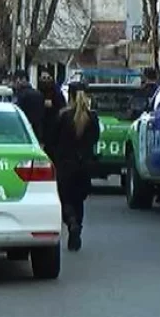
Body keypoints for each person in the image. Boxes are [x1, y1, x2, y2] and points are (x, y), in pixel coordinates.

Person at [51, 82, 100, 252]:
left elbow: (53, 141)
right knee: (79, 201)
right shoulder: (93, 118)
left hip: (65, 166)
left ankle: (71, 222)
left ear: (69, 96)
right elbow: (95, 140)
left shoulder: (63, 116)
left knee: (65, 199)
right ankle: (77, 225)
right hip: (84, 166)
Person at [38, 71, 66, 159]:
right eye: (43, 78)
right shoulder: (38, 93)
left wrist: (53, 105)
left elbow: (62, 107)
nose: (45, 81)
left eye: (47, 78)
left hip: (54, 127)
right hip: (42, 127)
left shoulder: (57, 93)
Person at [12, 69, 45, 143]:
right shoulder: (39, 94)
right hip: (37, 133)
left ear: (21, 79)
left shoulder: (20, 96)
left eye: (15, 80)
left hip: (22, 133)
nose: (14, 84)